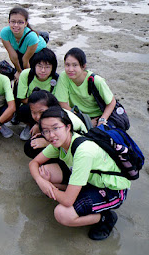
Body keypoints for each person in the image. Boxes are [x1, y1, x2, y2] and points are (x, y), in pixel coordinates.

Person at [29, 106, 129, 240]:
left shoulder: (83, 151)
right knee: (43, 174)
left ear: (68, 127)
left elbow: (67, 201)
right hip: (91, 180)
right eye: (46, 131)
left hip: (113, 189)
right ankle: (79, 194)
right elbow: (33, 163)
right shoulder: (59, 143)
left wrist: (48, 187)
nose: (51, 135)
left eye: (55, 128)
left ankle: (105, 217)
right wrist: (42, 181)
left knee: (62, 213)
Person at [55, 48, 116, 127]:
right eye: (67, 65)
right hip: (78, 114)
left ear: (83, 66)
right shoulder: (64, 76)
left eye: (75, 65)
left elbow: (111, 102)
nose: (70, 69)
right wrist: (84, 120)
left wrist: (102, 120)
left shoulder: (97, 81)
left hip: (98, 116)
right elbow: (62, 103)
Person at [24, 89, 87, 158]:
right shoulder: (52, 115)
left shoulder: (63, 119)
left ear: (52, 107)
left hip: (76, 147)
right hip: (62, 139)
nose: (38, 117)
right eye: (33, 112)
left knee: (32, 147)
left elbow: (68, 141)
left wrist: (46, 142)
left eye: (41, 112)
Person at [16, 48, 58, 140]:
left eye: (47, 67)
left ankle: (43, 128)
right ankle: (30, 125)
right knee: (23, 110)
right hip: (31, 108)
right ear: (34, 65)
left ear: (53, 68)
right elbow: (22, 98)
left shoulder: (57, 79)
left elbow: (55, 104)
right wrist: (38, 105)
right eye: (39, 66)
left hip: (48, 111)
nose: (43, 70)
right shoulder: (26, 75)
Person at [0, 7, 47, 80]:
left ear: (25, 23)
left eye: (20, 22)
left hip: (37, 51)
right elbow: (13, 55)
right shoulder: (4, 33)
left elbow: (25, 60)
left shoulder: (32, 37)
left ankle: (43, 36)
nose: (16, 25)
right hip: (21, 50)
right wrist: (19, 71)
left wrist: (26, 77)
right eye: (13, 21)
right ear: (8, 22)